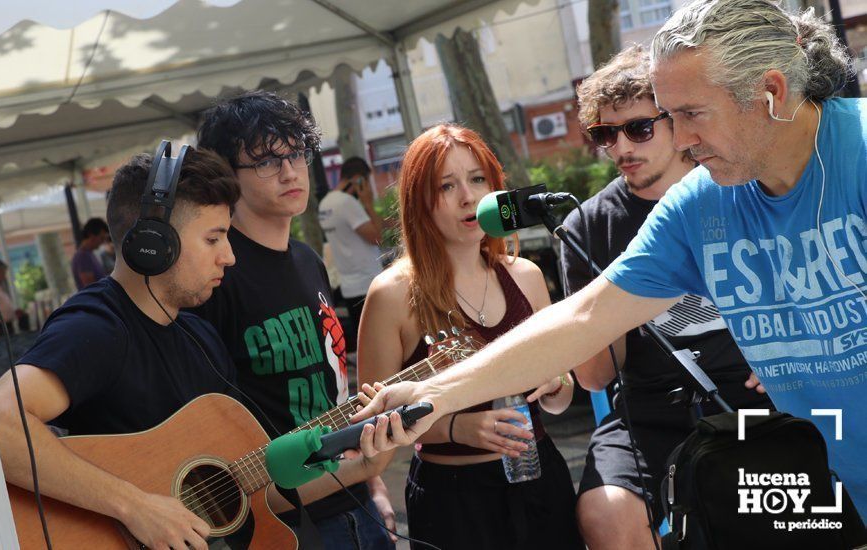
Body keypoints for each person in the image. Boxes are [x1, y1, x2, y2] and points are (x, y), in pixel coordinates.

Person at [353, 0, 867, 520]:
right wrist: (434, 392)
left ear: (771, 92)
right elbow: (584, 318)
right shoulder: (700, 203)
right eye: (671, 117)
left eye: (691, 114)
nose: (683, 140)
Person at [564, 44, 773, 549]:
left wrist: (784, 353)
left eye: (638, 128)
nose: (621, 149)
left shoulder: (738, 188)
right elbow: (594, 377)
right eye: (604, 135)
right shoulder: (587, 226)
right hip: (648, 407)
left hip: (751, 395)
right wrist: (614, 292)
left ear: (676, 124)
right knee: (605, 513)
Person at [0, 148, 241, 550]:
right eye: (213, 238)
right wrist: (135, 507)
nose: (228, 257)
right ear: (154, 244)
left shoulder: (201, 336)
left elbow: (243, 478)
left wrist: (351, 464)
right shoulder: (97, 327)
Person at [358, 123, 583, 549]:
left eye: (478, 179)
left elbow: (562, 396)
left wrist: (557, 383)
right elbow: (372, 418)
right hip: (453, 497)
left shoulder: (527, 276)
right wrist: (457, 427)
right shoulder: (392, 294)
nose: (468, 197)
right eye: (446, 186)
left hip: (539, 479)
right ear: (419, 201)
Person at [193, 90, 396, 549]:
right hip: (284, 522)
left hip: (355, 500)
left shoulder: (308, 261)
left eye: (296, 154)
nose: (289, 171)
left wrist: (374, 484)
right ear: (228, 174)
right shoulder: (215, 274)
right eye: (265, 161)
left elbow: (334, 387)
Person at [318, 157, 384, 349]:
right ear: (358, 179)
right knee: (379, 345)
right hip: (368, 284)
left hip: (349, 287)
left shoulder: (325, 204)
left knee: (365, 345)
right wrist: (368, 203)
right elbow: (376, 237)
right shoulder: (347, 203)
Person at [71, 217, 110, 290]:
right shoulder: (83, 256)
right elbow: (90, 287)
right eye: (101, 238)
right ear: (91, 236)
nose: (102, 242)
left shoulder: (89, 254)